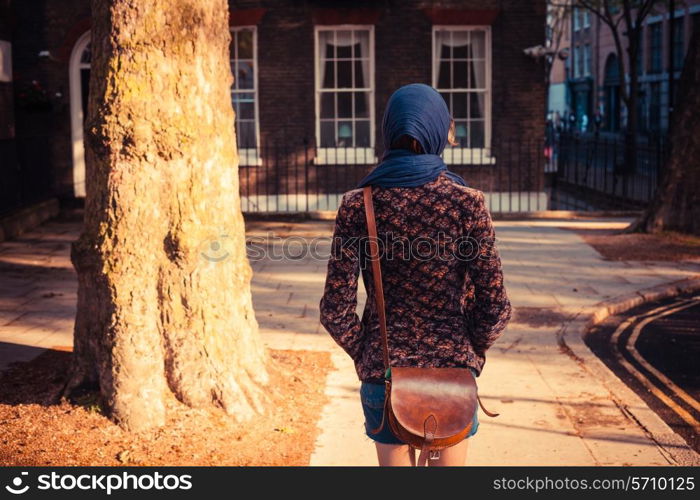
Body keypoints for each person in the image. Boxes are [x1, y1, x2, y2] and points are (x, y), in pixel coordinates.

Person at [319, 83, 512, 467]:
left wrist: (368, 353)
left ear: (389, 130)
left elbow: (335, 310)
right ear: (439, 130)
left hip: (385, 375)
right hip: (452, 377)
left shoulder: (360, 204)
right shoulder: (467, 203)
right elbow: (495, 306)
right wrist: (468, 349)